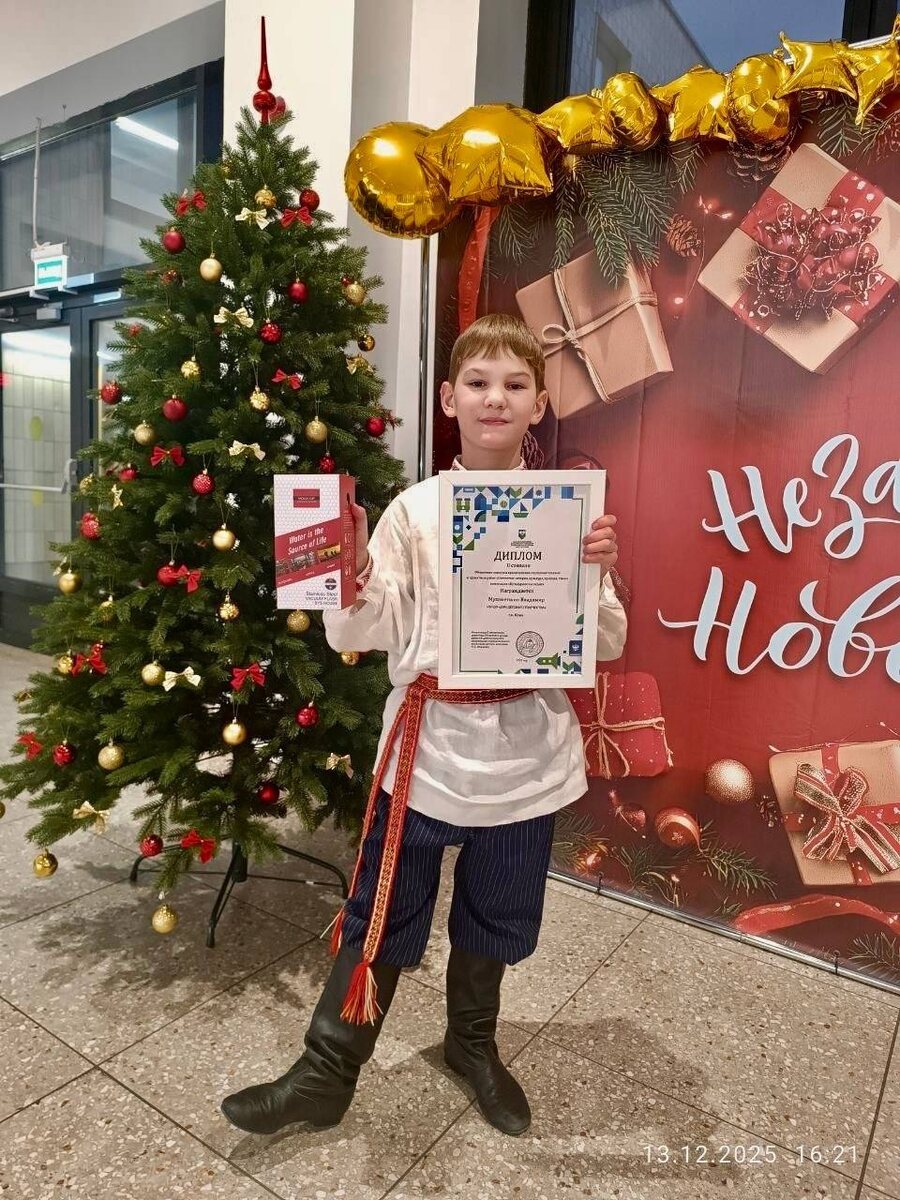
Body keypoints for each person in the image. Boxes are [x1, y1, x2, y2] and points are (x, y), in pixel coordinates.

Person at [221, 312, 626, 1138]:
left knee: (498, 910)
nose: (495, 397)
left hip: (526, 758)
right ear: (449, 399)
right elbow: (360, 629)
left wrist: (593, 575)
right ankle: (327, 1071)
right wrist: (350, 578)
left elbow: (608, 641)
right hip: (428, 753)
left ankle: (471, 1046)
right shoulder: (413, 512)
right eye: (477, 382)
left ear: (539, 403)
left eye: (515, 384)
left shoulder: (569, 513)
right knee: (383, 908)